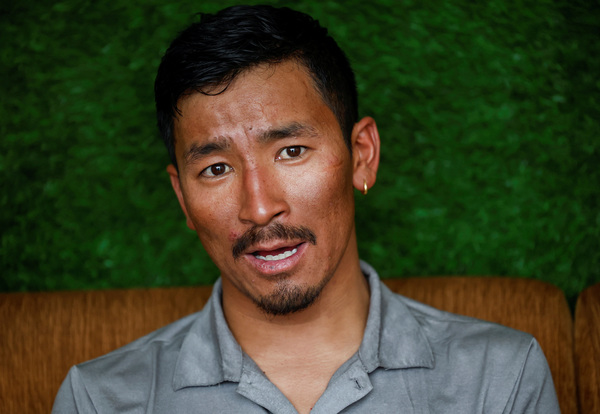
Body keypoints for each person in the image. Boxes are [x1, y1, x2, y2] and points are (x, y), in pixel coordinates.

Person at [53, 5, 560, 413]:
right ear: (183, 198)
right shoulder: (98, 400)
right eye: (215, 168)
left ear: (362, 156)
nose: (259, 207)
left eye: (291, 151)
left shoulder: (500, 381)